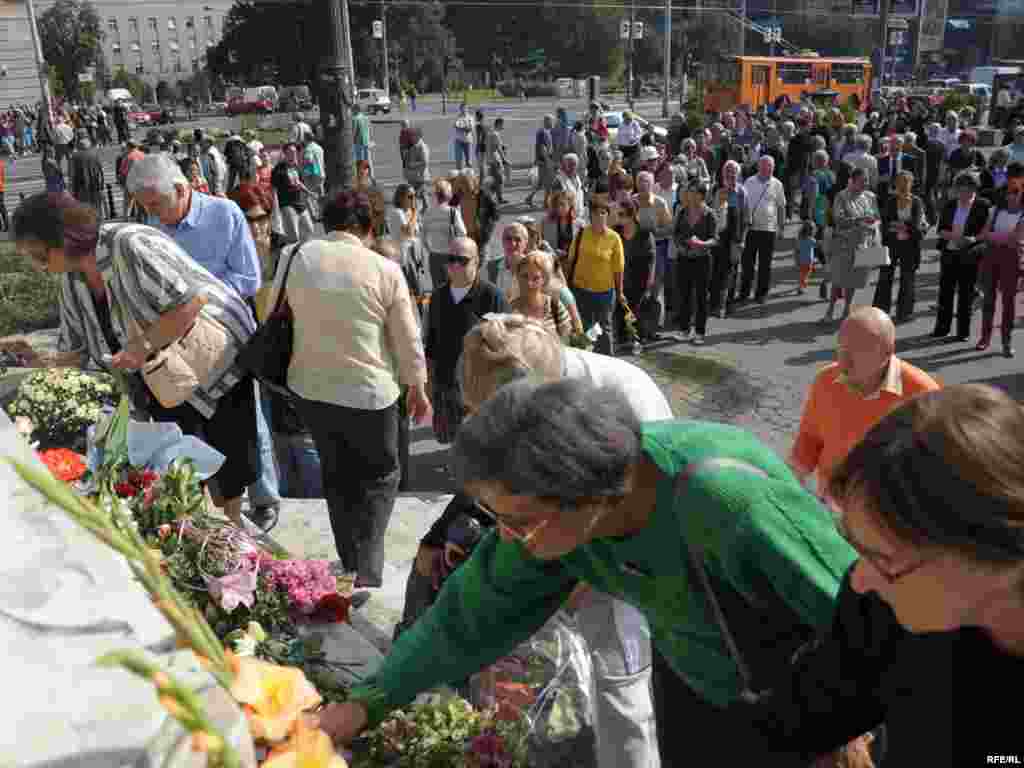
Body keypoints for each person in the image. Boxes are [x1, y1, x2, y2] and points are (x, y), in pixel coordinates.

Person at [316, 375, 861, 767]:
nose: (508, 537)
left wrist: (849, 727)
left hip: (801, 698)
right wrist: (366, 703)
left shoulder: (722, 500)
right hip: (695, 683)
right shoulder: (557, 522)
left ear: (587, 492)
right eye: (497, 518)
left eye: (518, 521)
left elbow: (869, 613)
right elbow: (471, 614)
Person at [726, 383, 1024, 765]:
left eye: (881, 559)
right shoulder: (880, 608)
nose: (858, 578)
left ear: (994, 554)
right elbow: (794, 719)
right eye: (856, 546)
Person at [11, 192, 259, 525]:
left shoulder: (128, 243)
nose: (38, 267)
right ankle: (204, 530)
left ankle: (234, 529)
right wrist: (33, 358)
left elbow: (190, 302)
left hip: (211, 356)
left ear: (63, 237)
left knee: (229, 454)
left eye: (40, 256)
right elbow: (76, 352)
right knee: (181, 460)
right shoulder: (70, 279)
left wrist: (140, 347)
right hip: (159, 374)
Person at [266, 190, 430, 600]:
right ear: (370, 228)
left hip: (310, 389)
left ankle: (350, 559)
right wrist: (418, 387)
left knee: (337, 474)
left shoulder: (294, 256)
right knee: (380, 475)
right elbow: (408, 340)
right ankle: (368, 567)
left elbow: (272, 311)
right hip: (370, 393)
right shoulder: (384, 269)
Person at [790, 306, 940, 491]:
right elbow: (809, 437)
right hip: (828, 503)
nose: (844, 363)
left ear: (887, 352)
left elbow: (933, 469)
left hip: (882, 514)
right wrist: (793, 483)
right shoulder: (826, 380)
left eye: (857, 353)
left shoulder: (924, 395)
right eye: (841, 349)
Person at [424, 237, 507, 444]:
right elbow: (432, 343)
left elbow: (505, 345)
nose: (454, 265)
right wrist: (428, 382)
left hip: (479, 387)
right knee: (451, 441)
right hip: (446, 384)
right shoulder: (437, 297)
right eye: (450, 259)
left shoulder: (492, 296)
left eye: (462, 260)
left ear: (477, 262)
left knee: (480, 444)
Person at [932, 172, 990, 342]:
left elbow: (986, 232)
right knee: (945, 292)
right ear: (957, 190)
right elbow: (940, 229)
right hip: (949, 252)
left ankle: (962, 332)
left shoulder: (982, 205)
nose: (965, 194)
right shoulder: (950, 205)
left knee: (966, 293)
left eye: (969, 190)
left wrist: (971, 239)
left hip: (970, 254)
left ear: (975, 190)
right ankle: (942, 328)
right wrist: (953, 237)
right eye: (962, 190)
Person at [566, 195, 625, 356]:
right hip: (581, 290)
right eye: (595, 213)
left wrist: (619, 292)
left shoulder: (614, 238)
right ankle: (585, 359)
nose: (599, 217)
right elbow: (571, 261)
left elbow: (618, 268)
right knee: (583, 327)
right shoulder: (581, 234)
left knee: (604, 329)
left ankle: (607, 360)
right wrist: (566, 286)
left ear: (607, 214)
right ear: (590, 215)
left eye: (602, 213)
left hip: (605, 292)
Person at [976, 172, 1024, 357]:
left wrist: (995, 236)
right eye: (1008, 192)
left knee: (1008, 302)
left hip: (1011, 260)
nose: (1011, 195)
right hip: (991, 257)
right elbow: (984, 233)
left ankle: (1006, 341)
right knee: (988, 299)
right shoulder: (995, 210)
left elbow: (1016, 239)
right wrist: (1000, 237)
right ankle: (985, 337)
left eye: (1015, 191)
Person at [825, 167, 881, 323]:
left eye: (867, 180)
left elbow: (877, 217)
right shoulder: (842, 196)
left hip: (864, 243)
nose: (866, 184)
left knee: (855, 279)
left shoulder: (870, 197)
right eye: (863, 181)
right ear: (853, 180)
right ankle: (830, 310)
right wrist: (858, 221)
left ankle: (847, 308)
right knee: (838, 278)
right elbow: (838, 218)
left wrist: (873, 223)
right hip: (844, 243)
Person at [874, 171, 926, 321]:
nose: (902, 185)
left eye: (906, 182)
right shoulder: (891, 201)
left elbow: (917, 226)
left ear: (911, 183)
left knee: (907, 278)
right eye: (899, 182)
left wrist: (900, 226)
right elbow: (885, 223)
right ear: (895, 184)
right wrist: (903, 226)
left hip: (910, 245)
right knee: (885, 277)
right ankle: (880, 310)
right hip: (891, 244)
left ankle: (905, 312)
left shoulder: (917, 202)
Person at [673, 178, 719, 345]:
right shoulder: (682, 212)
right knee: (684, 295)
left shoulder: (709, 214)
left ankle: (699, 332)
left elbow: (715, 239)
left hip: (702, 260)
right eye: (688, 192)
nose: (688, 195)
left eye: (692, 192)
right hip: (684, 258)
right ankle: (684, 329)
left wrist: (701, 243)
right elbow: (676, 234)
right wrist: (680, 246)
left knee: (701, 297)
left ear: (701, 195)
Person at [739, 155, 787, 304]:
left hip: (769, 229)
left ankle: (761, 293)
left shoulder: (777, 184)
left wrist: (781, 227)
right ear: (758, 167)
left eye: (770, 167)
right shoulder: (749, 182)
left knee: (765, 264)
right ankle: (744, 292)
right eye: (765, 167)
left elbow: (781, 207)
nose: (767, 169)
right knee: (747, 263)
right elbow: (743, 204)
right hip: (750, 228)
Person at [615, 199, 656, 346]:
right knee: (621, 308)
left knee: (636, 309)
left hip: (639, 277)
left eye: (621, 214)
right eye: (618, 214)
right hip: (620, 277)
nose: (618, 217)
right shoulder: (615, 232)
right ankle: (622, 337)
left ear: (631, 215)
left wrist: (650, 279)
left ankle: (639, 337)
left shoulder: (645, 233)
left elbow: (651, 258)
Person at [509, 250, 572, 341]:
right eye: (525, 276)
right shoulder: (511, 308)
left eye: (536, 278)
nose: (529, 283)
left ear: (544, 280)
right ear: (518, 277)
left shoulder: (555, 306)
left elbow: (566, 340)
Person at [421, 178, 468, 291]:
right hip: (450, 255)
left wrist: (430, 248)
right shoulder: (453, 212)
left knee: (438, 288)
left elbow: (423, 236)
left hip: (434, 256)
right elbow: (463, 233)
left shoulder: (428, 212)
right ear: (448, 195)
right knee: (453, 287)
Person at [271, 143, 315, 244]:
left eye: (295, 152)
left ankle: (283, 242)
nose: (293, 154)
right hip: (287, 204)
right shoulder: (278, 170)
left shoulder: (296, 167)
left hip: (299, 203)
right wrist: (275, 207)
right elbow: (273, 189)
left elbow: (298, 183)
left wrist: (310, 193)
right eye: (290, 152)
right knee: (294, 235)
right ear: (285, 154)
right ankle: (289, 252)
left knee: (309, 229)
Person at [525, 115, 555, 208]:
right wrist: (548, 161)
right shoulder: (543, 132)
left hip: (542, 160)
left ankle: (529, 198)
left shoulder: (544, 132)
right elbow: (542, 148)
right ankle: (546, 203)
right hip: (545, 161)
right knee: (549, 183)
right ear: (547, 121)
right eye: (551, 121)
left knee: (541, 183)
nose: (552, 123)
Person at [485, 117, 508, 204]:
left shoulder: (490, 133)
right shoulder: (495, 134)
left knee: (493, 180)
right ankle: (498, 198)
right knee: (499, 180)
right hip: (495, 160)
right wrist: (504, 159)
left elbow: (491, 146)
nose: (503, 127)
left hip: (490, 159)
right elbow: (497, 148)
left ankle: (490, 197)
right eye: (502, 125)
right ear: (499, 124)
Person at [795, 220, 816, 295]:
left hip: (801, 260)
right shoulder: (812, 240)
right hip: (808, 261)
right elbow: (816, 247)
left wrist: (796, 260)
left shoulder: (799, 239)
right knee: (805, 275)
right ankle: (801, 287)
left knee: (802, 274)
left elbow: (796, 251)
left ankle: (801, 285)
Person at [452, 103, 474, 171]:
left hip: (468, 141)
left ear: (467, 109)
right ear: (460, 109)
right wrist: (464, 128)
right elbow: (455, 125)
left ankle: (470, 176)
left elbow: (470, 129)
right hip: (458, 140)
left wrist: (461, 128)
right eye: (462, 108)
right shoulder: (457, 117)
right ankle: (459, 177)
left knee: (469, 161)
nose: (463, 110)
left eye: (465, 108)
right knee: (458, 161)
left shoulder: (470, 118)